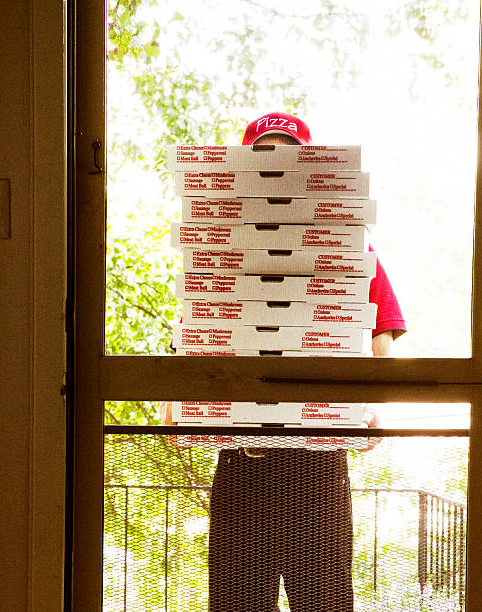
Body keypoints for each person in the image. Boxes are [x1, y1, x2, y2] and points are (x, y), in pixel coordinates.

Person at [162, 112, 406, 611]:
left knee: (324, 603)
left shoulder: (352, 248)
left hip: (318, 466)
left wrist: (378, 405)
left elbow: (384, 339)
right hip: (244, 464)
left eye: (285, 153)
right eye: (264, 153)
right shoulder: (219, 245)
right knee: (237, 604)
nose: (274, 164)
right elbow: (194, 332)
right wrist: (176, 400)